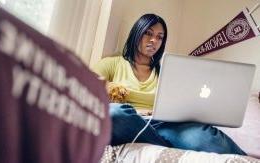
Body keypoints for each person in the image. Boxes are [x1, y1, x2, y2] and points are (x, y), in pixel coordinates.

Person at [92, 13, 246, 155]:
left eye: (160, 37)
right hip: (134, 122)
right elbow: (89, 93)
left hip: (166, 126)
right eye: (148, 33)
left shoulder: (167, 71)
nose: (154, 40)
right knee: (114, 113)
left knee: (208, 138)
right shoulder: (111, 64)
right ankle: (166, 145)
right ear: (136, 33)